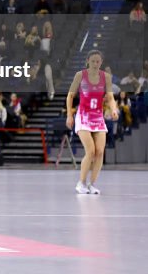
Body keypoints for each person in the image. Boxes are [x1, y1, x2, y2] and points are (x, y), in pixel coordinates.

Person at [65, 50, 118, 194]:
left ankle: (92, 184)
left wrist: (114, 109)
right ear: (88, 60)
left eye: (98, 61)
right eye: (93, 61)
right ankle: (80, 182)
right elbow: (70, 97)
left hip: (98, 117)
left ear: (101, 62)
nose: (95, 63)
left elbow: (111, 97)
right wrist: (69, 115)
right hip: (83, 116)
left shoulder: (106, 77)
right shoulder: (80, 75)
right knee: (91, 151)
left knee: (100, 152)